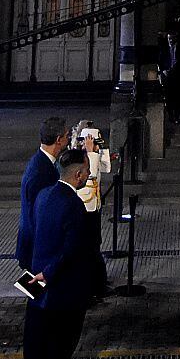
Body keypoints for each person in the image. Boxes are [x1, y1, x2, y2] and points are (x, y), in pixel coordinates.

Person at [27, 148, 96, 359]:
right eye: (87, 171)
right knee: (60, 352)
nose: (90, 175)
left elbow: (37, 235)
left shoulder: (45, 196)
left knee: (46, 350)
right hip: (63, 291)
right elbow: (71, 251)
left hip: (40, 290)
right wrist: (51, 272)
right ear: (78, 175)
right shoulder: (74, 206)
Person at [17, 117, 66, 359]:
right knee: (38, 311)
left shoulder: (42, 164)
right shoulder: (40, 172)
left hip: (36, 251)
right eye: (67, 136)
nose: (68, 140)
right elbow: (39, 214)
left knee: (39, 310)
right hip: (36, 254)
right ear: (58, 139)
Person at [73, 122, 113, 295]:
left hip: (94, 208)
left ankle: (97, 283)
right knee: (88, 249)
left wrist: (100, 150)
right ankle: (94, 286)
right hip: (84, 210)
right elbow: (91, 175)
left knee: (95, 246)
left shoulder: (93, 156)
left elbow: (106, 168)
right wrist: (89, 152)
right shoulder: (76, 159)